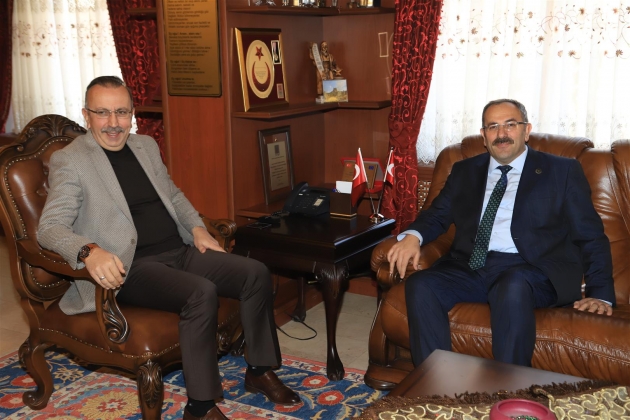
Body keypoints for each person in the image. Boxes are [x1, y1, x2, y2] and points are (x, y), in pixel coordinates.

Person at [37, 76, 300, 420]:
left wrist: (197, 229)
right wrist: (89, 251)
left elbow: (173, 195)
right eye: (102, 113)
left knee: (255, 273)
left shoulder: (145, 146)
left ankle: (259, 370)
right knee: (201, 293)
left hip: (178, 250)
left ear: (132, 113)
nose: (113, 123)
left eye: (121, 112)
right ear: (86, 115)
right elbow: (49, 227)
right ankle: (200, 407)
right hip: (132, 266)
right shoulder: (72, 160)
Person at [387, 99, 616, 368]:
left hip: (532, 269)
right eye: (493, 127)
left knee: (512, 285)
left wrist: (600, 293)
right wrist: (413, 236)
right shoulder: (464, 171)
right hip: (472, 266)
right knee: (421, 284)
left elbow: (590, 235)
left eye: (510, 125)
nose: (501, 134)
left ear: (526, 130)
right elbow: (437, 214)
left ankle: (508, 388)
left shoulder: (562, 171)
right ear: (483, 136)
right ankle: (434, 382)